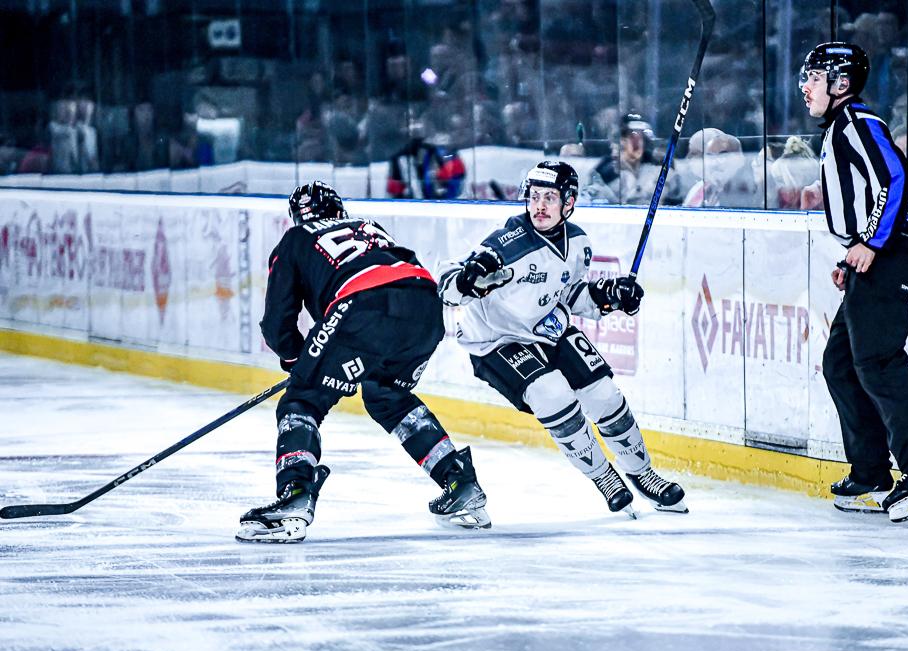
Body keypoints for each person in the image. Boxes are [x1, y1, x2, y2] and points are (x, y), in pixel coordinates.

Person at [237, 181, 491, 543]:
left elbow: (277, 323)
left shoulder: (295, 238)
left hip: (362, 305)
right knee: (387, 396)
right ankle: (458, 480)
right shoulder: (368, 227)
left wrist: (298, 363)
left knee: (302, 400)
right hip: (425, 307)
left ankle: (295, 495)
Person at [437, 161, 688, 517]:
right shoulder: (507, 242)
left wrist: (609, 295)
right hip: (496, 341)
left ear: (568, 203)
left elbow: (570, 294)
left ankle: (643, 473)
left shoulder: (579, 242)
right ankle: (604, 476)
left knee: (604, 394)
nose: (539, 206)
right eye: (535, 196)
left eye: (549, 198)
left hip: (547, 330)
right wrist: (467, 280)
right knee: (551, 393)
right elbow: (448, 280)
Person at [799, 42, 908, 523]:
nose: (805, 87)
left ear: (841, 84)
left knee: (877, 361)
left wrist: (871, 243)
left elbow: (897, 177)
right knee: (840, 364)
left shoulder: (858, 122)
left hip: (890, 252)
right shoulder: (839, 128)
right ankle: (871, 472)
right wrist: (853, 255)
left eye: (814, 78)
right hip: (873, 256)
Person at [581, 113, 681, 205]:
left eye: (640, 136)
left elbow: (676, 204)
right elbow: (586, 202)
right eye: (630, 136)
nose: (637, 142)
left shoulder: (661, 170)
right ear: (619, 141)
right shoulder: (604, 173)